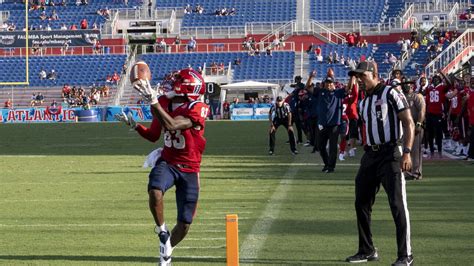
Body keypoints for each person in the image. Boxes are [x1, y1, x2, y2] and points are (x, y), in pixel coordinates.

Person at [116, 67, 209, 266]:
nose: (172, 82)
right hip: (168, 161)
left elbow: (173, 125)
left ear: (188, 86)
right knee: (155, 191)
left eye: (177, 80)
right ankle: (162, 230)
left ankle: (166, 253)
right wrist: (136, 126)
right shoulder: (164, 102)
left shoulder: (198, 106)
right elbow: (153, 136)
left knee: (184, 224)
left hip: (190, 168)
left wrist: (154, 102)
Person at [346, 61, 415, 266]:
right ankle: (367, 249)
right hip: (371, 155)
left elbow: (408, 121)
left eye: (362, 75)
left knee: (397, 204)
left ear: (374, 73)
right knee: (361, 202)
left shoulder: (390, 93)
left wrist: (407, 152)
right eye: (357, 76)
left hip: (390, 153)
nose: (359, 79)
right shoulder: (364, 100)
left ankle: (405, 255)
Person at [315, 75, 348, 173]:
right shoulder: (320, 92)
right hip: (322, 124)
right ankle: (326, 163)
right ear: (324, 83)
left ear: (333, 84)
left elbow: (348, 88)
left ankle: (331, 167)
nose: (328, 84)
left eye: (330, 82)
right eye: (327, 82)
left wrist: (352, 78)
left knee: (333, 147)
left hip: (334, 125)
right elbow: (308, 87)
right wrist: (311, 77)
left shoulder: (338, 93)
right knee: (321, 146)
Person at [402, 78, 426, 180]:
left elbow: (422, 110)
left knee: (416, 150)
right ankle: (406, 172)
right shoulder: (401, 97)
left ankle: (416, 172)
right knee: (405, 149)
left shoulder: (417, 96)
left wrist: (419, 124)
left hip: (415, 125)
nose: (407, 86)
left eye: (409, 84)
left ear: (412, 85)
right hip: (404, 126)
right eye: (405, 84)